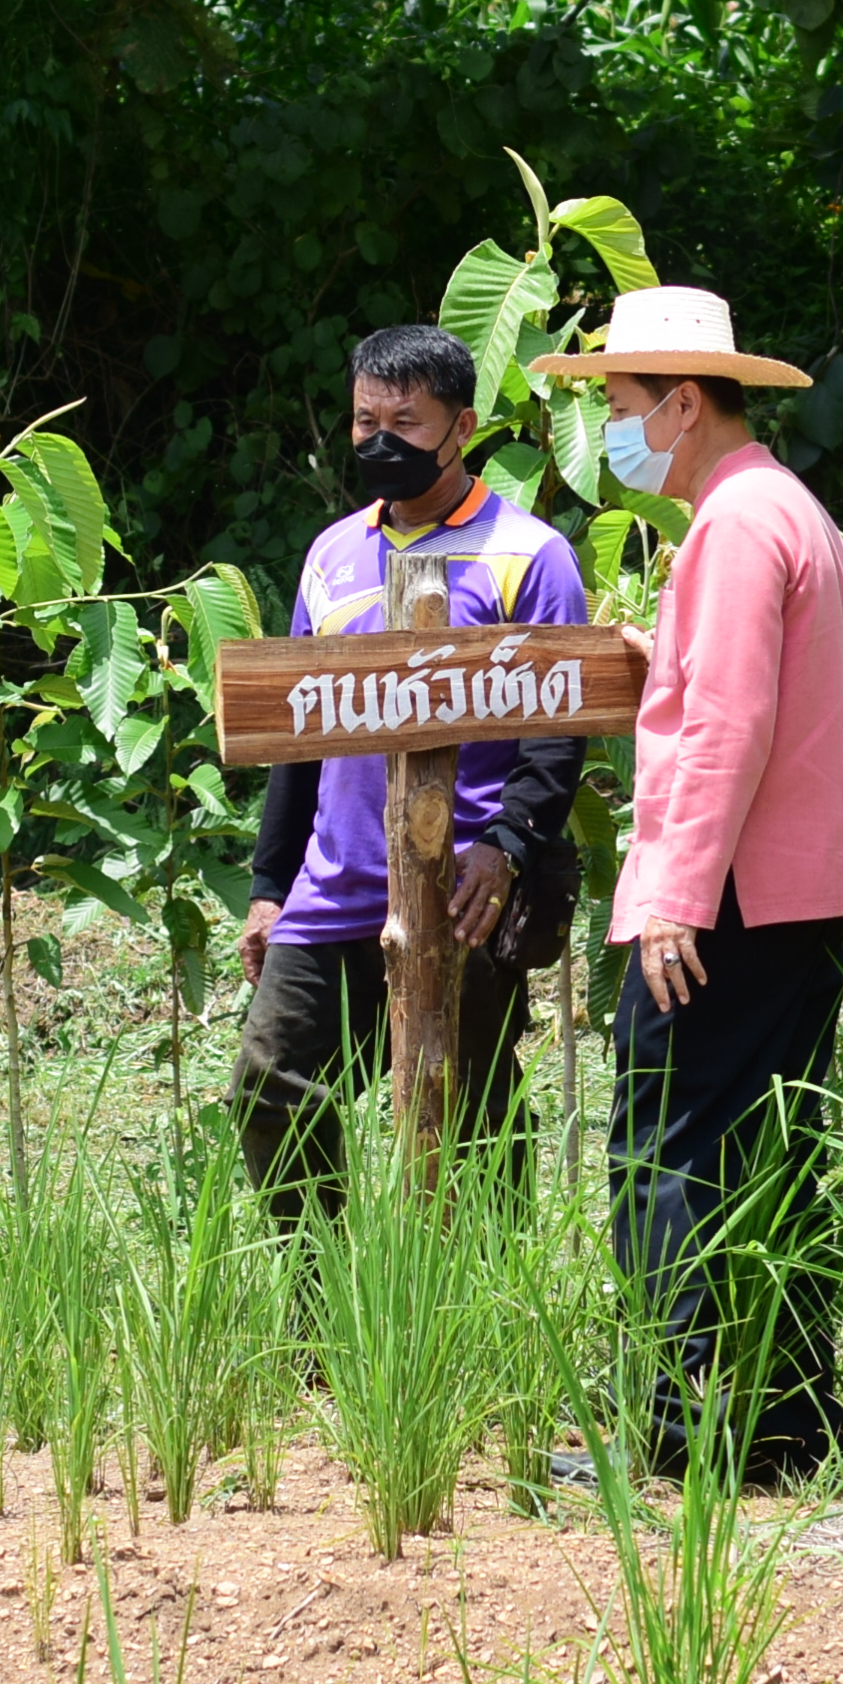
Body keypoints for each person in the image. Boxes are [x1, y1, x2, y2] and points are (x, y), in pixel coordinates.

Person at [530, 285, 843, 1483]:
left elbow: (726, 723)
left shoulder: (731, 527)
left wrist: (670, 893)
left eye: (620, 405)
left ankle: (677, 1439)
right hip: (792, 893)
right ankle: (785, 1430)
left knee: (662, 1153)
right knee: (763, 1155)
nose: (612, 431)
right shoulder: (783, 510)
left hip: (723, 899)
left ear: (681, 404)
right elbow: (720, 683)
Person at [233, 325, 590, 1223]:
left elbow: (558, 733)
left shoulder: (530, 555)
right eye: (363, 420)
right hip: (335, 887)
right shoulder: (330, 554)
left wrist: (505, 849)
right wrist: (271, 886)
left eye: (406, 420)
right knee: (267, 1089)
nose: (380, 439)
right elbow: (299, 731)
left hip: (459, 894)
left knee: (470, 1117)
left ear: (460, 427)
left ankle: (485, 1315)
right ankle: (324, 1315)